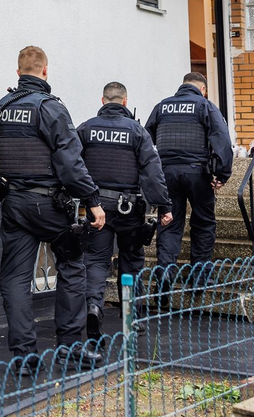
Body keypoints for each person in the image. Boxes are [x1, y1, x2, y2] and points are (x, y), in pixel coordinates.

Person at [0, 45, 106, 373]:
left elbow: (1, 145)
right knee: (72, 266)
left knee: (15, 278)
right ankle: (69, 348)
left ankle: (24, 357)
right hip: (50, 205)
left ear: (18, 73)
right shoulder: (51, 108)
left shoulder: (1, 108)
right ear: (45, 70)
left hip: (14, 204)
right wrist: (93, 201)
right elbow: (71, 163)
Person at [77, 81, 173, 340]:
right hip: (129, 208)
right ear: (125, 101)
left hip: (97, 207)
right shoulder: (137, 131)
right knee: (130, 261)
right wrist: (164, 206)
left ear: (102, 100)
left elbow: (72, 164)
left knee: (96, 261)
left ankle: (94, 307)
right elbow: (153, 172)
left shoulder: (86, 129)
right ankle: (132, 317)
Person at [146, 72, 233, 276]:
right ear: (202, 89)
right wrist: (222, 174)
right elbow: (222, 140)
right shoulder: (205, 106)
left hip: (166, 174)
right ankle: (199, 279)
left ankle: (165, 275)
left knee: (169, 223)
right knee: (203, 223)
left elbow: (146, 139)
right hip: (197, 173)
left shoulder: (162, 106)